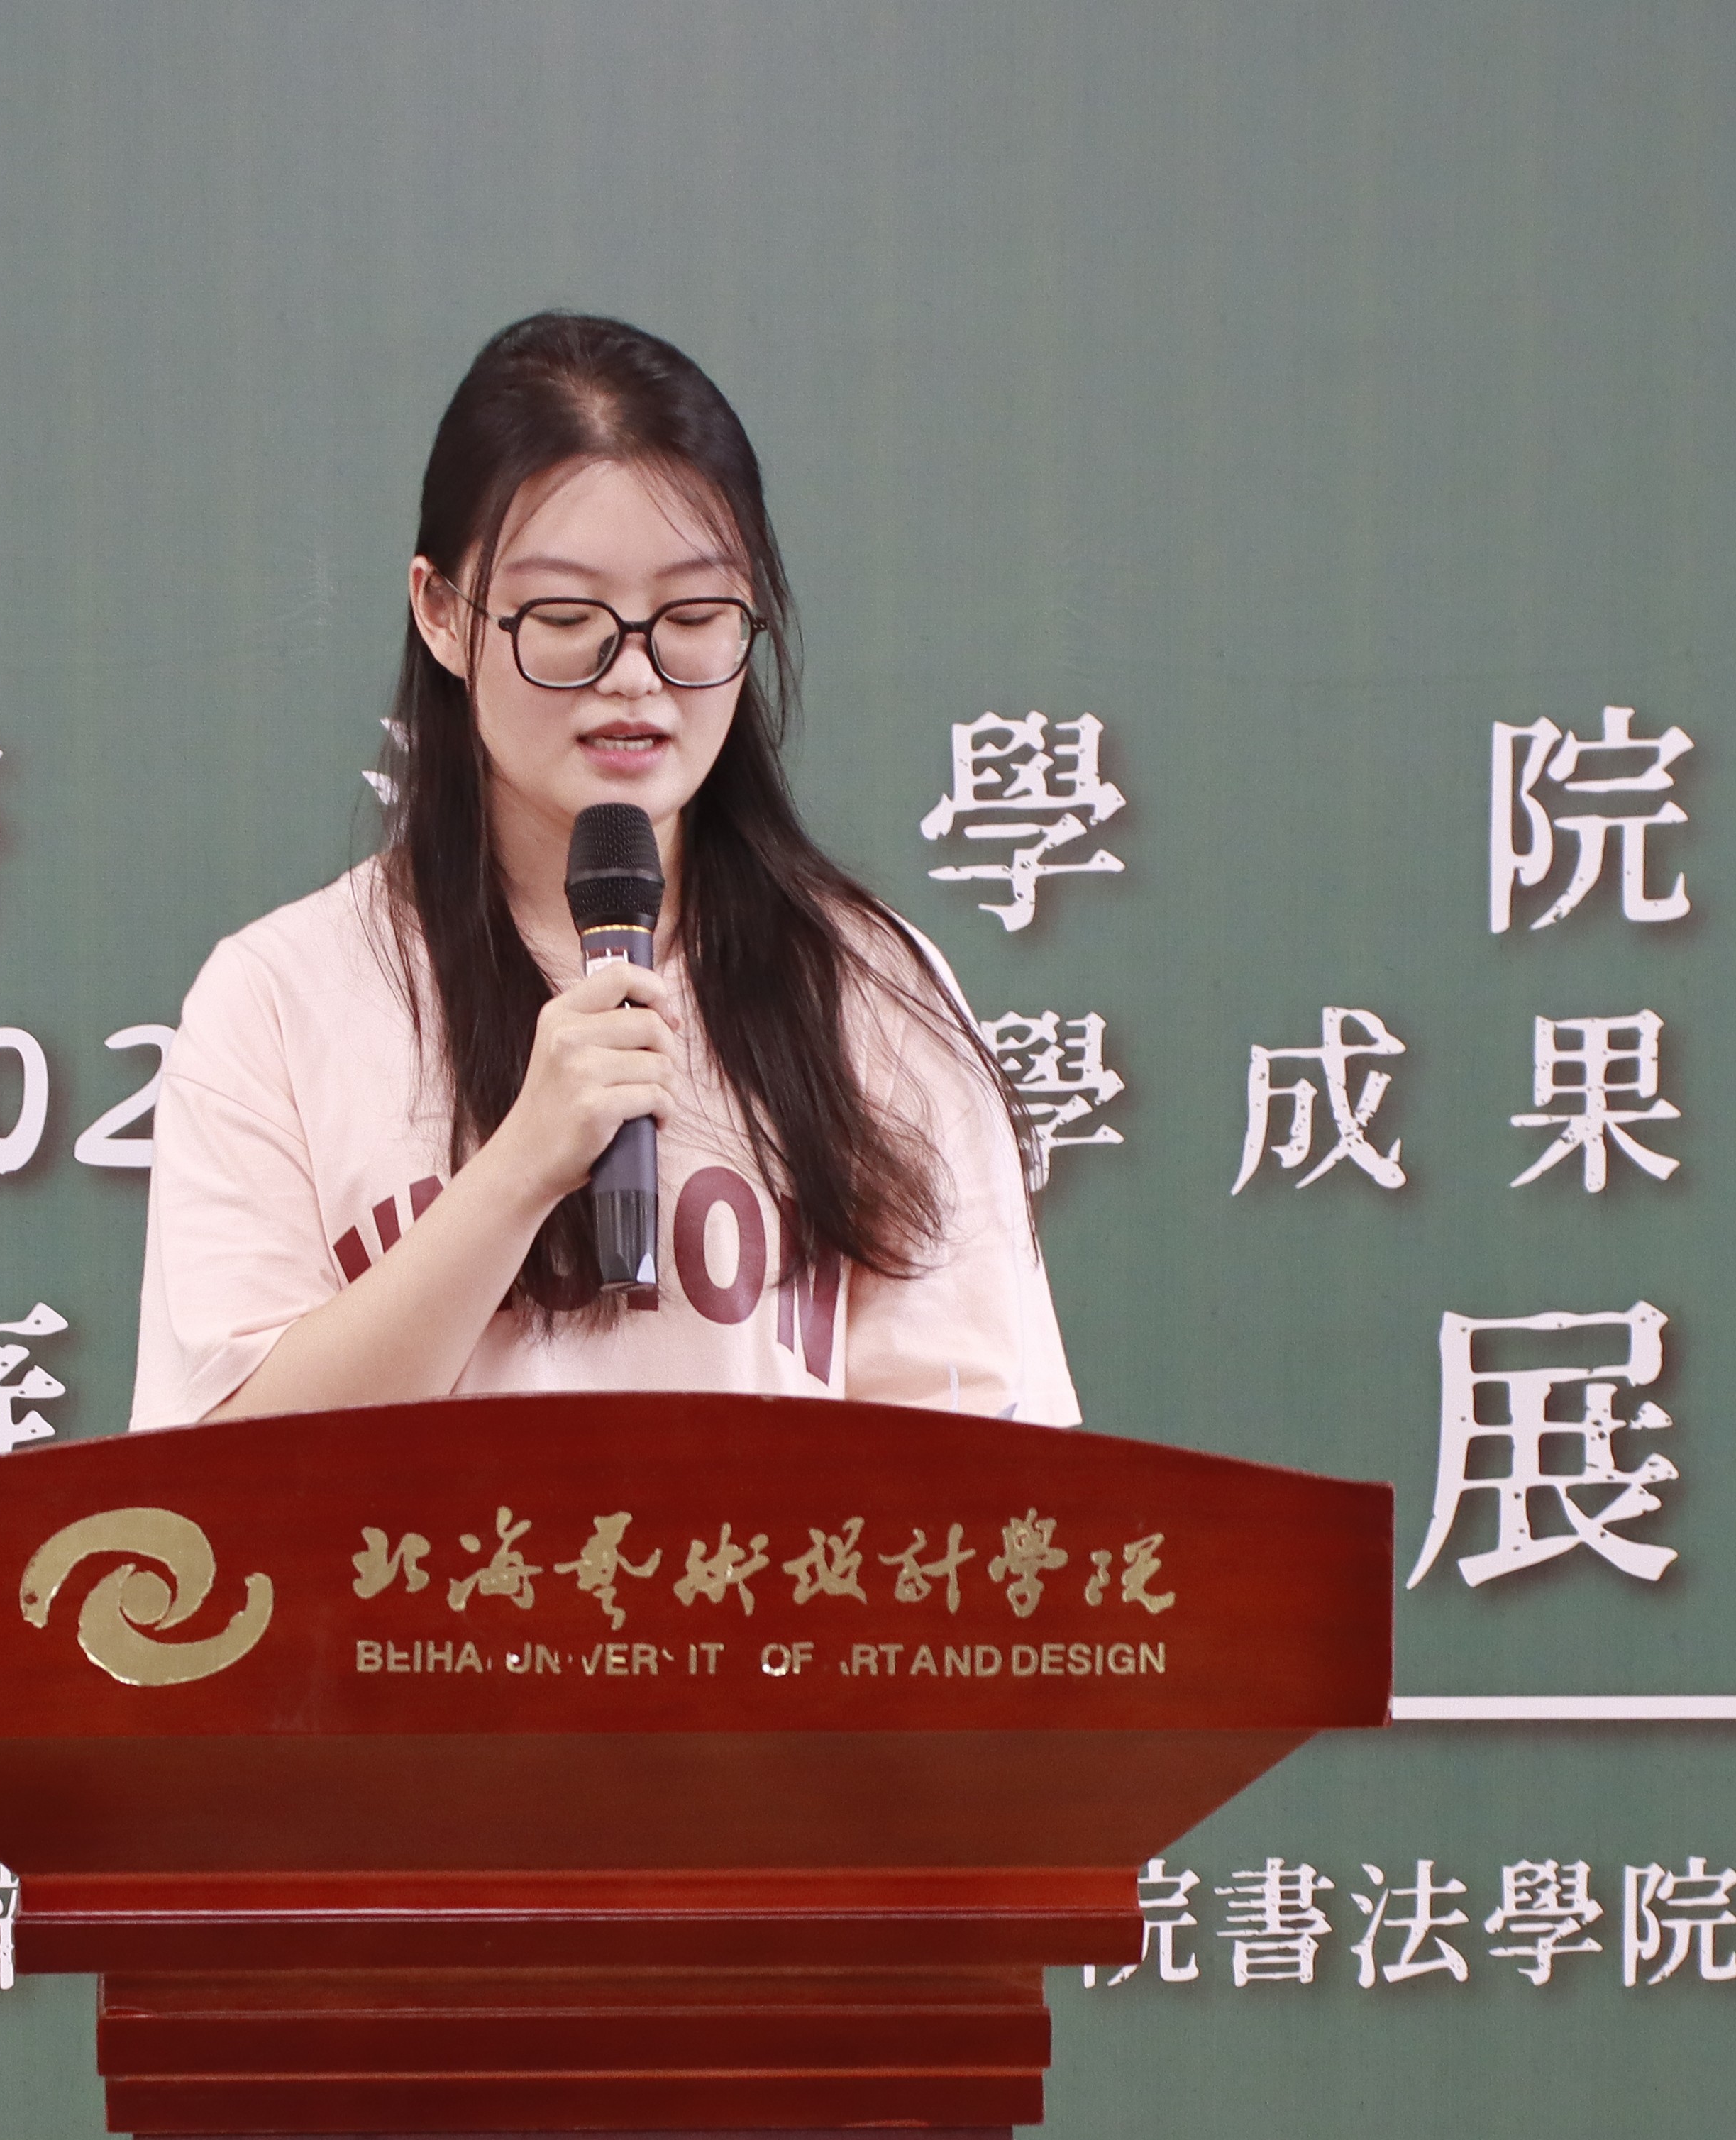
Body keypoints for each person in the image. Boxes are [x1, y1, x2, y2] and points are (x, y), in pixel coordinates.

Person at [130, 311, 1076, 1431]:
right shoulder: (279, 1001)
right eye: (567, 617)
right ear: (442, 613)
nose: (634, 676)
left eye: (693, 615)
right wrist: (521, 1168)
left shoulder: (872, 989)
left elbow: (985, 1468)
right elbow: (219, 1481)